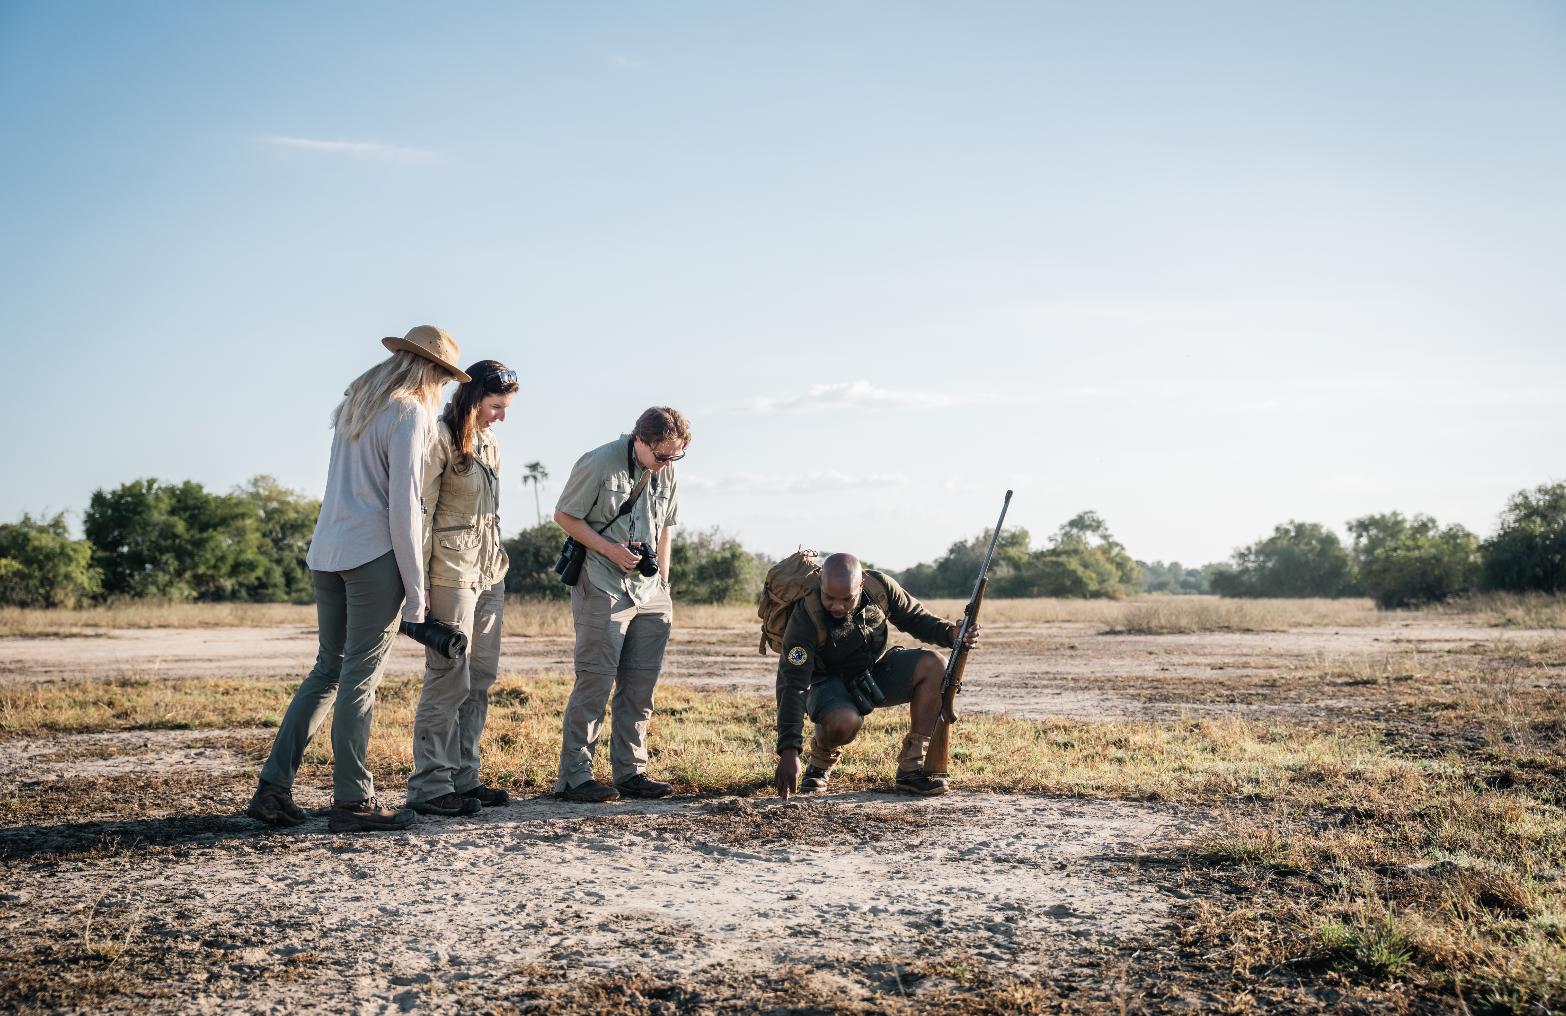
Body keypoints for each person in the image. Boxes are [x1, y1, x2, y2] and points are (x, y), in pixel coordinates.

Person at [247, 326, 467, 833]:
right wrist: (416, 589)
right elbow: (404, 505)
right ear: (432, 371)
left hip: (326, 551)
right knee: (359, 678)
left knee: (328, 670)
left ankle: (273, 789)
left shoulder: (356, 407)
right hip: (374, 555)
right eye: (445, 377)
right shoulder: (412, 412)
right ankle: (353, 800)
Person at [551, 407, 689, 803]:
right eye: (661, 455)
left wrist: (663, 578)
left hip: (651, 591)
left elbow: (665, 528)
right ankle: (575, 777)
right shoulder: (598, 462)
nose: (667, 464)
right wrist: (610, 550)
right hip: (602, 581)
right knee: (595, 681)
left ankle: (632, 772)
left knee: (640, 686)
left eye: (675, 456)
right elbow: (564, 515)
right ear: (640, 440)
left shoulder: (669, 471)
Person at [406, 360, 519, 816]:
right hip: (449, 575)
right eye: (496, 406)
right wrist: (420, 582)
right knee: (447, 680)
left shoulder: (489, 444)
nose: (502, 416)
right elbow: (421, 512)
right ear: (473, 398)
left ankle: (464, 777)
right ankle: (431, 786)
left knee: (480, 679)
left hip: (490, 572)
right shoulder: (437, 438)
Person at [772, 553, 980, 800]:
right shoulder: (804, 616)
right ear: (821, 586)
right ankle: (818, 765)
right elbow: (792, 686)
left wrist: (950, 633)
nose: (837, 606)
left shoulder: (879, 587)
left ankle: (911, 769)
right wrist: (789, 752)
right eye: (829, 598)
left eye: (847, 599)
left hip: (870, 674)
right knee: (845, 721)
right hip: (826, 682)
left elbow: (915, 617)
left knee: (935, 665)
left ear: (860, 586)